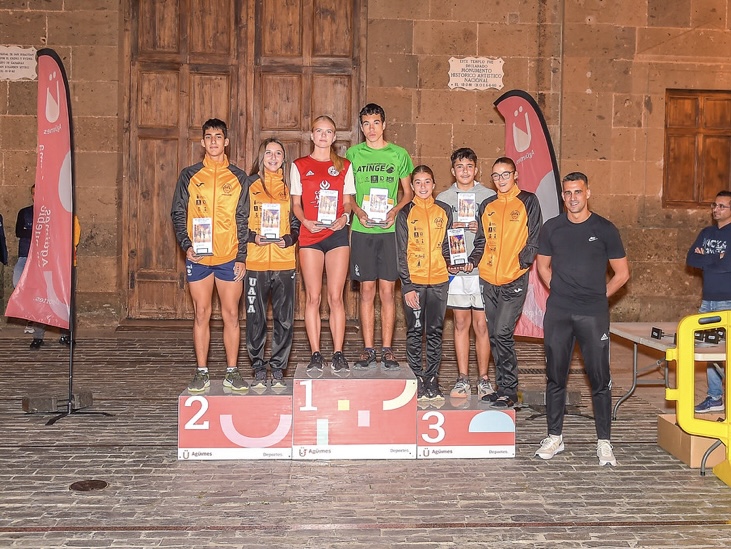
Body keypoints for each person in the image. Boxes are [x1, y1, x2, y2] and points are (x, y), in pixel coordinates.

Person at [533, 172, 629, 466]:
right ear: (562, 196)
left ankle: (604, 442)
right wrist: (560, 289)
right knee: (555, 377)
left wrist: (599, 296)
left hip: (593, 314)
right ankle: (554, 437)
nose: (572, 197)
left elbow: (622, 273)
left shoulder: (605, 229)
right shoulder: (552, 228)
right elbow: (542, 266)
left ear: (588, 193)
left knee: (600, 378)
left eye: (578, 191)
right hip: (559, 313)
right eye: (567, 192)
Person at [171, 118, 253, 393]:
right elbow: (178, 212)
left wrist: (241, 256)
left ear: (226, 141)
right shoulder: (189, 175)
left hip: (229, 257)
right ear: (202, 142)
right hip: (199, 258)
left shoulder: (239, 177)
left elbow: (244, 218)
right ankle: (201, 372)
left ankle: (232, 372)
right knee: (201, 313)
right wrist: (186, 245)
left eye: (218, 137)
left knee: (231, 315)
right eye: (209, 137)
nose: (214, 141)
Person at [469, 157, 542, 408]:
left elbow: (535, 236)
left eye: (505, 174)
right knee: (493, 334)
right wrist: (472, 260)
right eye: (496, 175)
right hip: (488, 279)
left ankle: (510, 390)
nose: (501, 179)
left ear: (515, 175)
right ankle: (501, 387)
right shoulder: (487, 205)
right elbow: (481, 240)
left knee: (503, 332)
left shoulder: (528, 201)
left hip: (513, 279)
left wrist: (523, 262)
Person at [346, 103, 414, 370]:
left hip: (389, 231)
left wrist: (395, 211)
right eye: (366, 123)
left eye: (376, 122)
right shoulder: (352, 154)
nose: (371, 128)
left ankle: (387, 349)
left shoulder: (399, 154)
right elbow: (347, 194)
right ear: (361, 127)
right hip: (362, 230)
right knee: (366, 291)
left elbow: (408, 192)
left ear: (384, 125)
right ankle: (368, 349)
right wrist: (358, 211)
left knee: (387, 292)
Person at [291, 115, 355, 373]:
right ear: (311, 135)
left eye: (328, 132)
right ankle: (316, 353)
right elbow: (296, 204)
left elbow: (348, 201)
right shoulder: (299, 165)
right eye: (319, 131)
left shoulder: (344, 165)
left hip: (336, 235)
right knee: (313, 297)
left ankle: (338, 353)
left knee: (336, 297)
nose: (323, 136)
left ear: (334, 137)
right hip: (310, 235)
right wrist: (305, 221)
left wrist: (345, 218)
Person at [436, 148, 496, 399]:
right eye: (460, 167)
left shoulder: (489, 196)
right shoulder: (443, 198)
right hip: (457, 271)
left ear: (476, 169)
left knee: (482, 325)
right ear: (453, 171)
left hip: (482, 270)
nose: (464, 171)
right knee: (460, 323)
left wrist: (479, 226)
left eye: (469, 166)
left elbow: (496, 231)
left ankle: (483, 379)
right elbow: (438, 234)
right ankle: (462, 379)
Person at [245, 138, 300, 389]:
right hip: (255, 261)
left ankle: (278, 367)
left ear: (283, 158)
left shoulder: (290, 188)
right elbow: (238, 219)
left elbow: (297, 221)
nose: (273, 157)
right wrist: (252, 237)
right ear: (261, 156)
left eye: (278, 153)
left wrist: (289, 239)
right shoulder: (249, 184)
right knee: (255, 317)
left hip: (284, 261)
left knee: (284, 318)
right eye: (269, 153)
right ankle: (258, 366)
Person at [396, 165, 452, 401]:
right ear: (411, 186)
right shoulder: (405, 213)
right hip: (415, 283)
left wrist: (455, 263)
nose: (422, 186)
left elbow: (449, 245)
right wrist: (407, 285)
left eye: (427, 182)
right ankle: (417, 377)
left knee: (435, 332)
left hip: (439, 281)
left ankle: (432, 378)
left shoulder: (444, 210)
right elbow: (400, 252)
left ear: (434, 184)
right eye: (417, 182)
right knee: (415, 331)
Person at [687, 190, 731, 413]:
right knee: (709, 351)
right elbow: (691, 259)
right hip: (708, 301)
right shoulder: (706, 232)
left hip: (727, 301)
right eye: (714, 205)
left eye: (722, 206)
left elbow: (727, 265)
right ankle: (715, 397)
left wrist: (706, 258)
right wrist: (716, 257)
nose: (716, 209)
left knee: (727, 352)